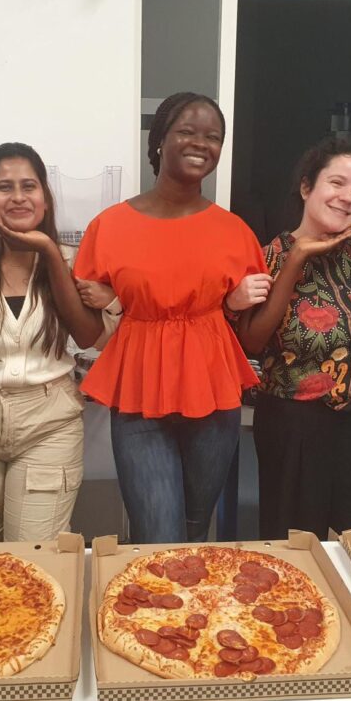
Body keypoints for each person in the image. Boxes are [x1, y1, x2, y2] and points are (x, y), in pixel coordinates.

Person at [73, 92, 271, 544]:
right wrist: (118, 301)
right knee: (157, 533)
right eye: (186, 131)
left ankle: (190, 613)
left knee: (195, 531)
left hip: (213, 395)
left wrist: (230, 304)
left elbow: (251, 332)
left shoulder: (234, 231)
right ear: (159, 139)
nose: (201, 143)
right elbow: (83, 323)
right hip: (140, 394)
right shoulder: (109, 226)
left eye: (213, 137)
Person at [0, 142, 107, 543]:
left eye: (28, 186)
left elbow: (87, 336)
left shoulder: (69, 260)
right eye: (4, 186)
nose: (17, 197)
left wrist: (47, 250)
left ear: (45, 198)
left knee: (37, 556)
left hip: (48, 422)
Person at [234, 138, 351, 540]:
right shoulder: (267, 256)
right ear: (307, 187)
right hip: (295, 425)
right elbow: (252, 343)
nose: (347, 198)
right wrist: (297, 259)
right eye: (337, 183)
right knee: (296, 544)